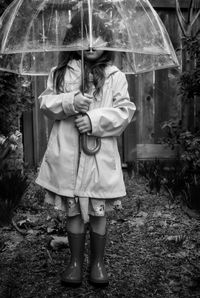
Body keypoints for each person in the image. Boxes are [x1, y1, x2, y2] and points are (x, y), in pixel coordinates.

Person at [36, 10, 136, 287]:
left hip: (98, 158)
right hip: (68, 158)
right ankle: (75, 262)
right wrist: (70, 102)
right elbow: (46, 105)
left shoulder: (114, 76)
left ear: (108, 41)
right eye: (84, 36)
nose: (92, 42)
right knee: (73, 213)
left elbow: (125, 113)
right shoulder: (59, 74)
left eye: (99, 36)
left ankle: (98, 262)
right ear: (73, 40)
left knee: (97, 212)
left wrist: (93, 119)